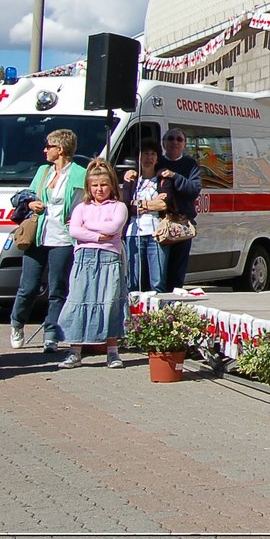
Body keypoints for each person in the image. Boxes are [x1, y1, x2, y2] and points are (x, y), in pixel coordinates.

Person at [10, 128, 86, 352]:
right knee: (29, 286)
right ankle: (17, 323)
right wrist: (31, 204)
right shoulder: (44, 171)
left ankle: (51, 333)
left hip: (62, 238)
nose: (45, 150)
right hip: (38, 236)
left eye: (48, 146)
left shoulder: (79, 173)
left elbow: (84, 202)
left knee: (58, 288)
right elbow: (28, 195)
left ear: (60, 149)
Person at [56, 159, 129, 369]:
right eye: (95, 185)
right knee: (79, 300)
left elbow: (114, 227)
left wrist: (88, 228)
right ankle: (75, 351)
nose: (99, 189)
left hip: (109, 259)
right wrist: (97, 235)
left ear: (112, 186)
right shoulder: (81, 207)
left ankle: (113, 352)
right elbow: (74, 231)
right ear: (89, 186)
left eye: (104, 185)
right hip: (84, 259)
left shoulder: (119, 207)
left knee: (110, 302)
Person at [154, 129, 203, 292]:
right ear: (163, 143)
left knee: (177, 270)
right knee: (158, 270)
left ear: (184, 144)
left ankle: (173, 307)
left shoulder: (190, 165)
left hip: (181, 224)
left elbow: (194, 189)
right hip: (159, 224)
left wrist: (175, 176)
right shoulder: (156, 162)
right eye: (170, 138)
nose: (175, 142)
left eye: (179, 139)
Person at [123, 140, 164, 294]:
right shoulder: (132, 180)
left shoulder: (162, 180)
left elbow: (164, 205)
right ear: (138, 158)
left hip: (157, 233)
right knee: (134, 278)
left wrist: (139, 204)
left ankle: (159, 315)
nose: (149, 157)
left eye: (153, 154)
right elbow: (127, 205)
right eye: (145, 154)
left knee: (157, 279)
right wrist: (151, 204)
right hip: (134, 233)